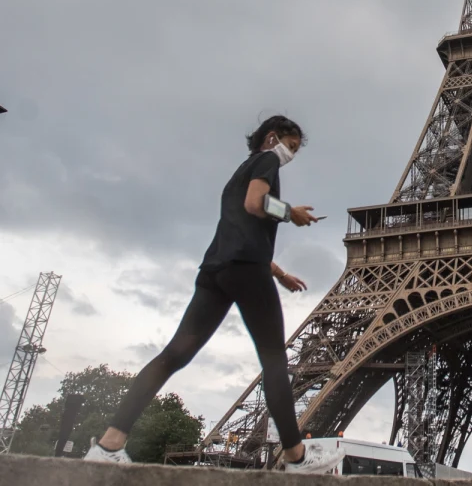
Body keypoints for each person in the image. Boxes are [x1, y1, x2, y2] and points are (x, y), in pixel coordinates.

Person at [84, 115, 343, 473]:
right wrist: (289, 212)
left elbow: (240, 228)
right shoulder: (266, 161)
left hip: (216, 272)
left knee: (173, 355)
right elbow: (257, 204)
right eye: (291, 146)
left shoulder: (238, 173)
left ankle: (109, 443)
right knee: (273, 362)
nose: (291, 155)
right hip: (246, 272)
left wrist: (280, 273)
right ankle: (296, 456)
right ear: (272, 138)